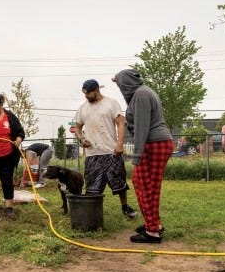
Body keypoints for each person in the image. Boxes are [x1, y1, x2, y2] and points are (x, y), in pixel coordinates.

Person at [113, 69, 173, 244]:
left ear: (126, 83)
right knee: (148, 186)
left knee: (143, 185)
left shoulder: (141, 95)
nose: (120, 88)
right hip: (157, 142)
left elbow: (142, 127)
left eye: (120, 84)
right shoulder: (142, 92)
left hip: (153, 143)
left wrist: (137, 155)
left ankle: (152, 232)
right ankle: (153, 224)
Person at [74, 79, 138, 219]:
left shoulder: (111, 103)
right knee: (92, 185)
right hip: (92, 154)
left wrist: (120, 143)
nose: (86, 96)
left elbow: (121, 123)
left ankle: (125, 207)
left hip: (111, 151)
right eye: (84, 94)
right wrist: (81, 139)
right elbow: (77, 128)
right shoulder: (83, 108)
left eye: (88, 93)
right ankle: (93, 212)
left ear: (96, 90)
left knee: (119, 182)